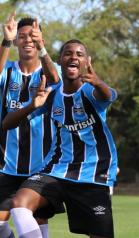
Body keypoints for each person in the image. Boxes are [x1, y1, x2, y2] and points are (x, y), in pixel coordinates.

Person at [3, 39, 118, 238]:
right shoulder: (51, 95)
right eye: (68, 53)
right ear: (60, 60)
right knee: (20, 205)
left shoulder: (92, 91)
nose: (73, 57)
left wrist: (98, 81)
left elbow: (107, 95)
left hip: (94, 174)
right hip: (58, 170)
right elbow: (7, 123)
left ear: (86, 62)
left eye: (79, 54)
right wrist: (32, 105)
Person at [0, 13, 60, 238]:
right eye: (22, 36)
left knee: (37, 219)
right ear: (16, 41)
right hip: (6, 163)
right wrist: (5, 39)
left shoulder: (50, 70)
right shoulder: (7, 71)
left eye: (32, 36)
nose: (27, 40)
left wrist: (43, 48)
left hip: (42, 164)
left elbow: (55, 81)